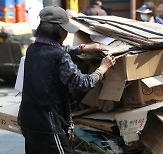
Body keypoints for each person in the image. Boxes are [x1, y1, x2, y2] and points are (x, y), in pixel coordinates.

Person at [18, 6, 115, 154]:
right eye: (65, 30)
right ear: (58, 31)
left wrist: (83, 49)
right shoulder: (59, 56)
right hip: (47, 124)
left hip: (26, 119)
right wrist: (103, 68)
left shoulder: (32, 49)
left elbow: (55, 50)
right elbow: (83, 83)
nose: (65, 33)